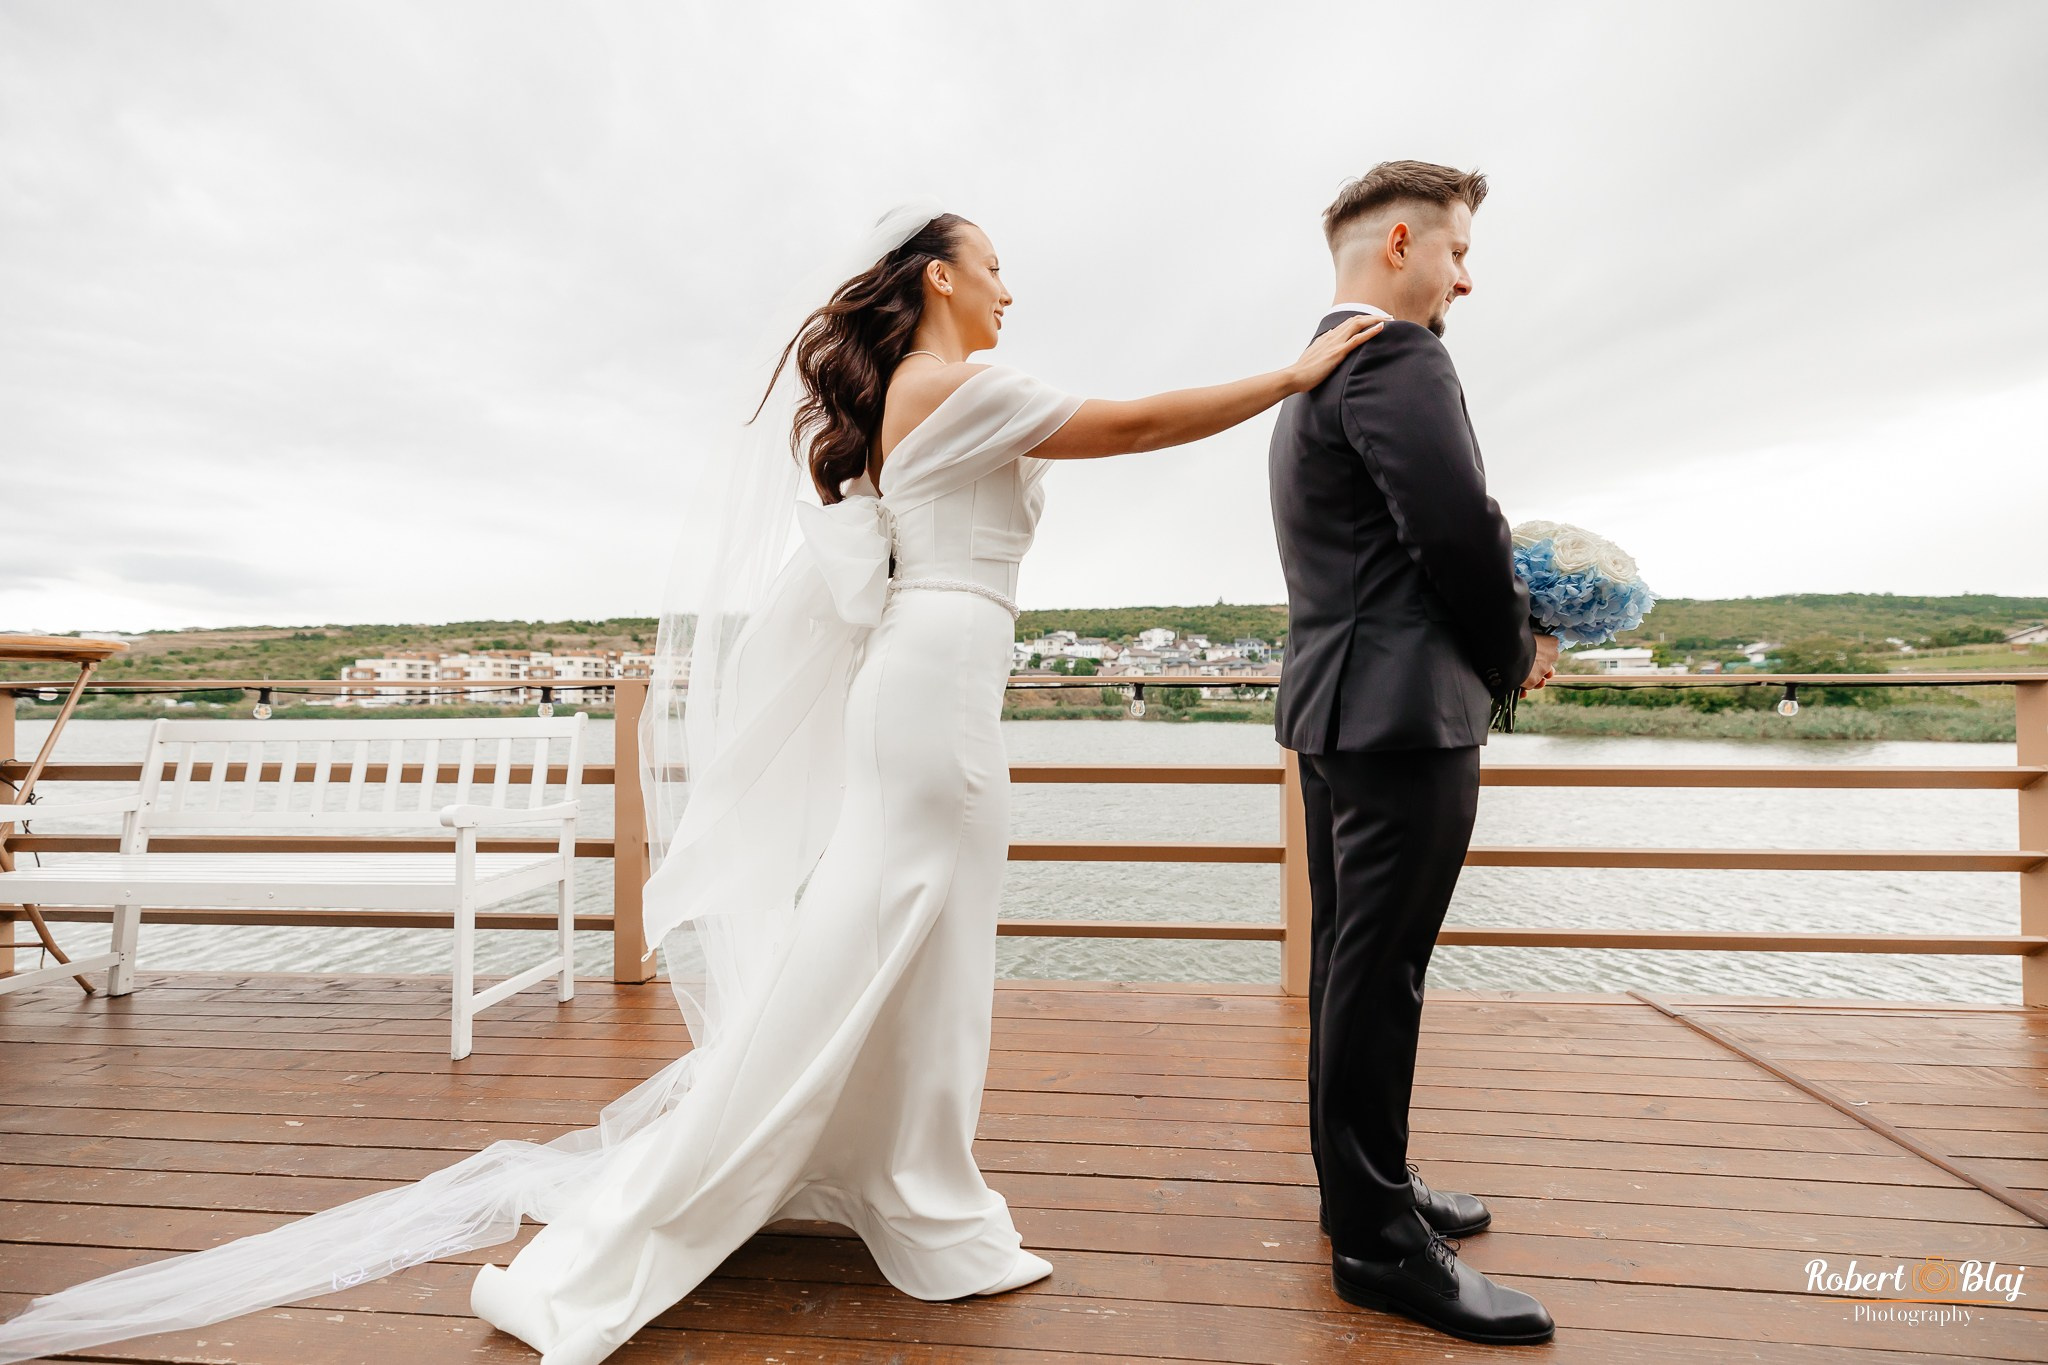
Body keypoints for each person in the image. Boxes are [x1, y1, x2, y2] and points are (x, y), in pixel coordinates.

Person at [0, 203, 1382, 1365]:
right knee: (899, 936)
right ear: (941, 277)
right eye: (997, 265)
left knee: (916, 942)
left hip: (948, 679)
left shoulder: (935, 396)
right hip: (939, 692)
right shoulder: (950, 387)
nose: (1016, 290)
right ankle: (869, 1197)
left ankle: (909, 1190)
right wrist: (1294, 374)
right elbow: (1133, 428)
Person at [1267, 161, 1559, 1346]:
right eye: (1456, 251)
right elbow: (1453, 528)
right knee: (1376, 973)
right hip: (1401, 715)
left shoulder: (1317, 368)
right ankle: (1382, 1248)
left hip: (1337, 709)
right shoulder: (1394, 356)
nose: (1466, 277)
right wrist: (1514, 650)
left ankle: (1363, 1191)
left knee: (1352, 965)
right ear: (1399, 241)